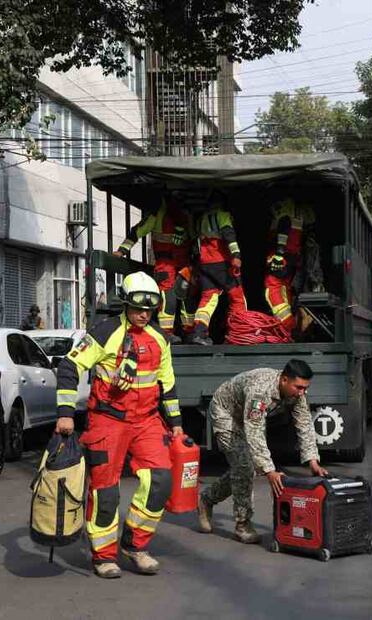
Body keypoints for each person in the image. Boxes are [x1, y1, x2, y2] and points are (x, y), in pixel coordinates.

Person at [54, 271, 182, 578]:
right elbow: (69, 366)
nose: (143, 314)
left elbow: (167, 383)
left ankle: (135, 545)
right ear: (125, 304)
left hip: (147, 421)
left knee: (161, 481)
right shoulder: (104, 333)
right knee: (106, 492)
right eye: (138, 308)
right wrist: (65, 412)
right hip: (107, 420)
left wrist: (176, 422)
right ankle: (103, 556)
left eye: (149, 309)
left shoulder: (160, 339)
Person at [196, 359, 327, 542]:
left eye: (305, 388)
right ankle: (243, 524)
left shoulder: (297, 393)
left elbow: (304, 422)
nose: (302, 392)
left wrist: (312, 460)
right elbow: (254, 431)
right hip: (225, 414)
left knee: (244, 468)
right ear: (284, 380)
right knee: (244, 467)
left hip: (248, 416)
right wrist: (269, 470)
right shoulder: (260, 390)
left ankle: (207, 499)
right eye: (299, 387)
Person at [115, 197, 192, 343]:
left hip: (183, 265)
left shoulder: (185, 215)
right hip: (166, 264)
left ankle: (189, 332)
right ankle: (166, 333)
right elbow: (136, 232)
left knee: (186, 298)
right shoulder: (157, 216)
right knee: (168, 297)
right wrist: (121, 251)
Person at [192, 196, 246, 345]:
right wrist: (236, 255)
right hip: (221, 263)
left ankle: (199, 333)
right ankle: (239, 333)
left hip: (205, 264)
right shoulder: (222, 215)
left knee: (208, 298)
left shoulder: (202, 219)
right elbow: (229, 235)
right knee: (237, 296)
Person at [264, 198, 315, 332]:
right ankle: (296, 322)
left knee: (273, 289)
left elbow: (284, 223)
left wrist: (279, 254)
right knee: (284, 290)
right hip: (292, 258)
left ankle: (288, 326)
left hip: (282, 257)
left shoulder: (284, 206)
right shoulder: (299, 212)